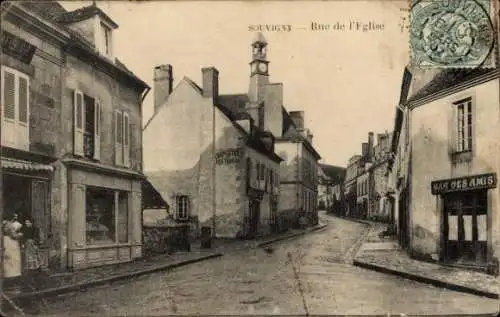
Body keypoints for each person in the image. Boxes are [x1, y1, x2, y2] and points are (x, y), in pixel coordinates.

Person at [3, 220, 23, 286]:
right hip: (10, 244)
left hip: (8, 243)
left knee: (10, 262)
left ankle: (9, 277)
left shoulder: (7, 225)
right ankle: (11, 279)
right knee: (12, 261)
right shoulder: (9, 225)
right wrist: (19, 235)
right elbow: (13, 235)